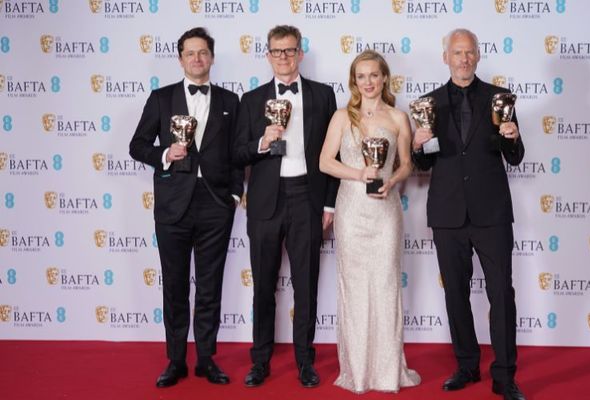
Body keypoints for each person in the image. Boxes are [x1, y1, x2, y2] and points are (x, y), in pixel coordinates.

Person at [411, 28, 526, 400]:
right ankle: (466, 366)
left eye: (469, 52)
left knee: (501, 295)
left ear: (478, 56)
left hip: (491, 212)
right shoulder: (427, 103)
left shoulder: (499, 98)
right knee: (456, 294)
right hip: (447, 214)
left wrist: (512, 136)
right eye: (457, 52)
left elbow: (515, 156)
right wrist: (417, 146)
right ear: (445, 57)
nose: (463, 59)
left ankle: (505, 375)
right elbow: (422, 163)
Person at [129, 27, 243, 388]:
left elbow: (238, 154)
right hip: (173, 206)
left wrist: (235, 195)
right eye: (190, 53)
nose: (197, 59)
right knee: (175, 286)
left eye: (203, 52)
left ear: (211, 57)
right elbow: (137, 145)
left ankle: (207, 358)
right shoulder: (161, 99)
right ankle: (176, 359)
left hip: (215, 205)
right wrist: (164, 154)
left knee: (210, 286)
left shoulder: (230, 102)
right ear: (180, 59)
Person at [233, 25, 338, 388]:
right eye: (276, 51)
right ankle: (260, 360)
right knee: (263, 285)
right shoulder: (251, 99)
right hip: (265, 202)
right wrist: (262, 141)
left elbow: (333, 154)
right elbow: (237, 152)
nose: (283, 57)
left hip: (308, 198)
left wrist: (329, 205)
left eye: (289, 50)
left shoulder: (324, 96)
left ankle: (304, 361)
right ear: (267, 55)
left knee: (306, 285)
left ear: (300, 53)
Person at [319, 50, 421, 393]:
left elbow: (407, 163)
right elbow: (324, 162)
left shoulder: (398, 118)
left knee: (386, 286)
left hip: (385, 210)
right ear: (354, 81)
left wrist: (392, 180)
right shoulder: (340, 117)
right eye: (361, 76)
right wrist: (358, 174)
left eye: (374, 75)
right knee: (354, 289)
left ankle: (388, 371)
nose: (368, 82)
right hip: (351, 210)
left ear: (384, 78)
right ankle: (357, 371)